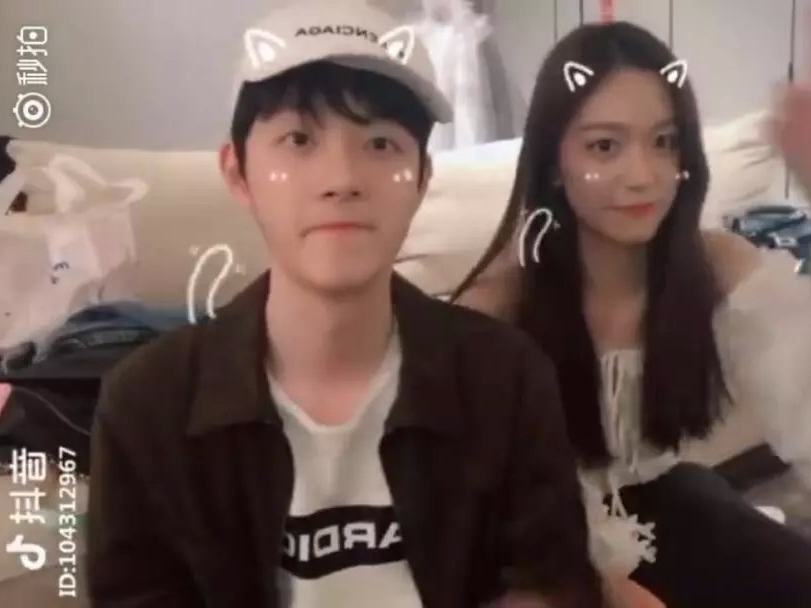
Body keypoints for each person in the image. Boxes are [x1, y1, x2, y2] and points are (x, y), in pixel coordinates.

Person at [453, 7, 811, 608]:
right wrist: (609, 589)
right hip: (542, 546)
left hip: (668, 498)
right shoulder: (495, 306)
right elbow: (467, 523)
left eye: (664, 141)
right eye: (604, 145)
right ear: (553, 163)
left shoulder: (714, 263)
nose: (642, 174)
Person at [85, 2, 603, 606]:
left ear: (422, 177)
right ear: (238, 172)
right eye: (299, 139)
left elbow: (549, 582)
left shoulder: (507, 378)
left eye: (381, 144)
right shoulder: (147, 405)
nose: (342, 179)